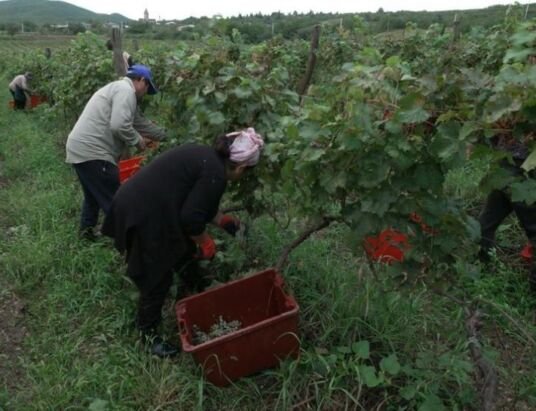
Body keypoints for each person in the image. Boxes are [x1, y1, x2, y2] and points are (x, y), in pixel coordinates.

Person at [101, 128, 264, 358]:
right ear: (240, 168)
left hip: (138, 202)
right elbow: (190, 218)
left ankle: (198, 288)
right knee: (157, 275)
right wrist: (205, 241)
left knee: (182, 250)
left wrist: (222, 220)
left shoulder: (205, 155)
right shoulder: (216, 175)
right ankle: (147, 334)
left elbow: (194, 201)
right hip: (144, 213)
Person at [66, 64, 165, 241]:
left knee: (93, 197)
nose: (145, 93)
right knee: (117, 200)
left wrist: (166, 136)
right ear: (141, 80)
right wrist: (139, 141)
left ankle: (85, 236)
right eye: (147, 87)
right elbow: (119, 125)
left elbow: (140, 123)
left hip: (80, 148)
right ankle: (132, 242)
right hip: (93, 152)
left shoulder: (121, 92)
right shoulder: (125, 90)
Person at [477, 132, 536, 291]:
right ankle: (483, 271)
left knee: (485, 224)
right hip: (513, 166)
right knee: (485, 224)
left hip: (516, 167)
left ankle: (483, 274)